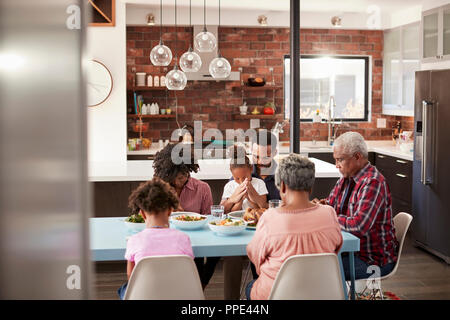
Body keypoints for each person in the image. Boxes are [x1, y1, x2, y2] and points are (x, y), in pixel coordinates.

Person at [246, 154, 343, 300]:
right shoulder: (329, 214)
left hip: (276, 295)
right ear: (310, 187)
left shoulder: (270, 218)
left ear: (283, 186)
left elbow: (255, 257)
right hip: (321, 293)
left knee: (250, 287)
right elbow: (335, 250)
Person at [313, 131, 398, 280]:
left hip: (371, 260)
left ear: (357, 157)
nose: (336, 165)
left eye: (340, 160)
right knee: (313, 264)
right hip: (350, 251)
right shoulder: (346, 177)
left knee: (318, 272)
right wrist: (322, 205)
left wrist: (326, 215)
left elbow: (359, 226)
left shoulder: (373, 182)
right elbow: (330, 203)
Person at [153, 143, 219, 289]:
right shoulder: (158, 188)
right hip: (165, 240)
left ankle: (200, 286)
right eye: (176, 175)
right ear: (167, 172)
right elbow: (146, 218)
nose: (180, 179)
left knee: (216, 252)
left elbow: (209, 221)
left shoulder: (202, 188)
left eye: (184, 174)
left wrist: (186, 215)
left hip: (194, 240)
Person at [117, 178, 193, 300]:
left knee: (124, 289)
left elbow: (131, 276)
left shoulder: (134, 240)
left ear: (141, 214)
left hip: (144, 295)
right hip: (178, 294)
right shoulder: (183, 238)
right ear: (170, 211)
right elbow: (187, 272)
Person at [221, 146, 268, 213]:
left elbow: (261, 208)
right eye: (237, 178)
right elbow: (231, 211)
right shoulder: (229, 186)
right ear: (231, 172)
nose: (241, 181)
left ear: (251, 168)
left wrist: (250, 196)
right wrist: (240, 199)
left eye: (245, 177)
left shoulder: (259, 183)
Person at [250, 129, 281, 201]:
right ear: (251, 150)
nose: (260, 162)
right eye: (256, 156)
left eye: (266, 157)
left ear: (275, 153)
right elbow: (223, 207)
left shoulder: (285, 176)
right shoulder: (242, 173)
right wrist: (233, 199)